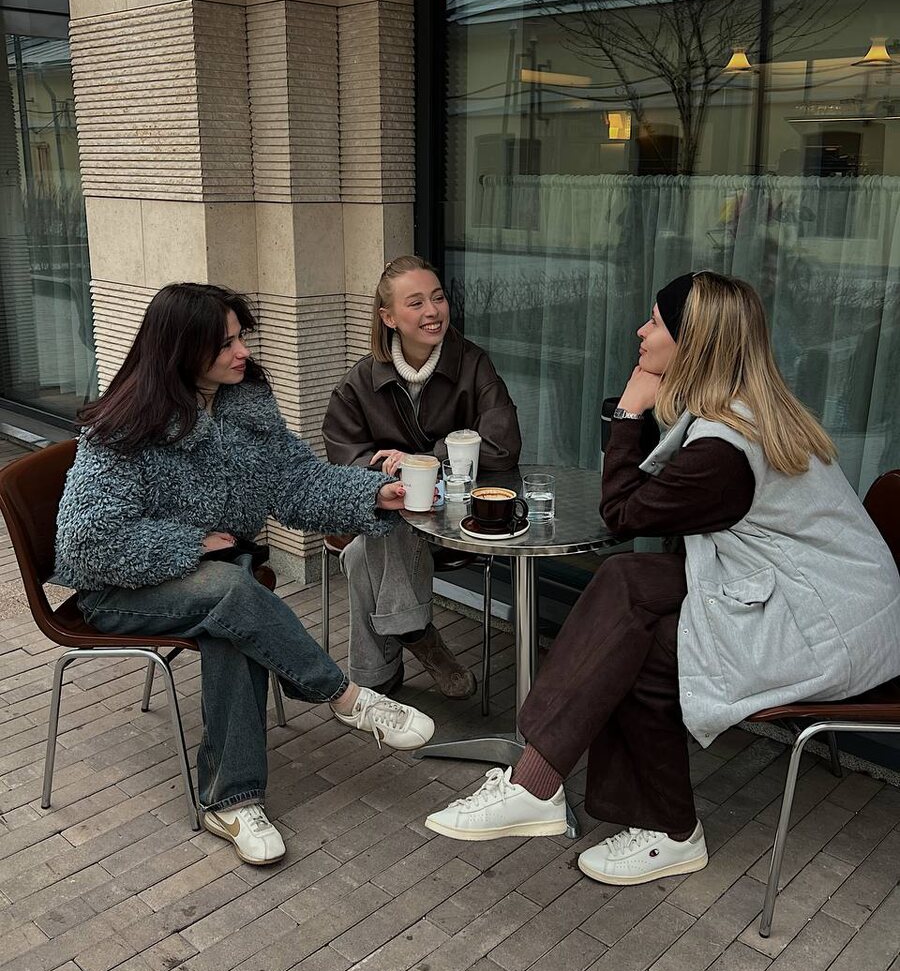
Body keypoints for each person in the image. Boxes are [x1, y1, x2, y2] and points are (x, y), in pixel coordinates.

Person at [425, 271, 900, 887]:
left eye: (654, 322)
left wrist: (629, 409)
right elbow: (650, 517)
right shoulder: (743, 412)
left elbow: (624, 513)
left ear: (691, 342)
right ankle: (548, 783)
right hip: (819, 595)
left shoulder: (726, 451)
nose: (640, 332)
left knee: (641, 644)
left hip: (824, 627)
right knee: (627, 585)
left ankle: (654, 825)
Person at [55, 282, 435, 867]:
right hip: (119, 590)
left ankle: (231, 802)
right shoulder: (124, 428)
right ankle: (342, 695)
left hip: (214, 582)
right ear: (181, 350)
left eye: (240, 337)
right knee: (234, 591)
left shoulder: (244, 407)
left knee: (230, 619)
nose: (243, 353)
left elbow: (295, 481)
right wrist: (187, 544)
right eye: (226, 344)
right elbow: (87, 544)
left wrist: (370, 494)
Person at [323, 256, 522, 698]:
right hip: (389, 513)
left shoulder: (473, 365)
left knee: (360, 555)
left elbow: (503, 444)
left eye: (438, 298)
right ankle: (416, 636)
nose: (433, 311)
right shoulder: (360, 381)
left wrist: (420, 461)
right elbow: (342, 459)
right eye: (416, 303)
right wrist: (387, 477)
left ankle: (380, 670)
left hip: (458, 513)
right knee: (391, 513)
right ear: (388, 317)